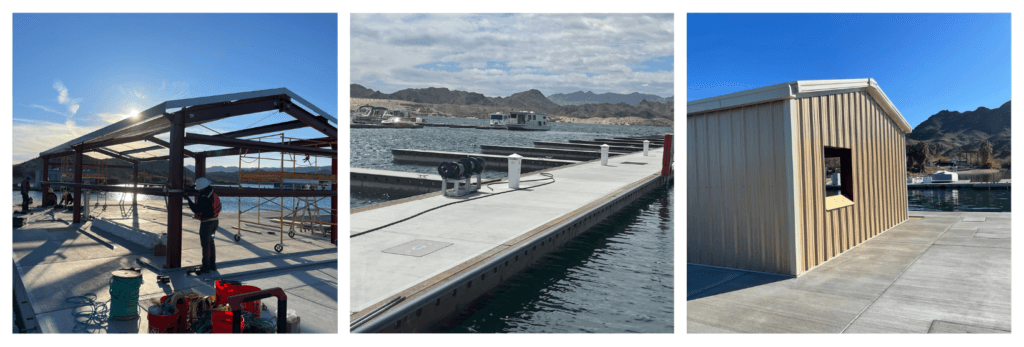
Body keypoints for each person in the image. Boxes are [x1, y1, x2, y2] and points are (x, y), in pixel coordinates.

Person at [185, 177, 221, 274]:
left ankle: (205, 267)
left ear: (203, 188)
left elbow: (196, 209)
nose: (199, 190)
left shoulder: (205, 198)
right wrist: (190, 186)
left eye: (200, 188)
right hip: (214, 223)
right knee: (211, 242)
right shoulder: (212, 193)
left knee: (205, 244)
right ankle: (212, 265)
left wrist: (188, 199)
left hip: (207, 224)